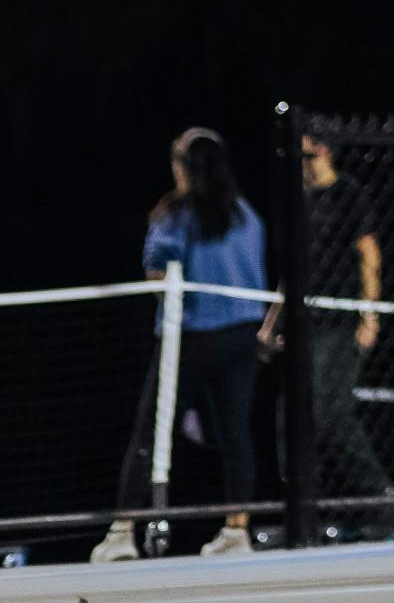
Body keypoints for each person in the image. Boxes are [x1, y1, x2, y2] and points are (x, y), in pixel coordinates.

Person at [91, 128, 266, 563]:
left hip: (190, 337)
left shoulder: (176, 214)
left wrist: (173, 307)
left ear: (184, 167)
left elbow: (157, 274)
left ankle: (122, 532)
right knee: (235, 432)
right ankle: (237, 529)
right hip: (242, 337)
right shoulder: (247, 215)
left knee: (151, 429)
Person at [257, 133, 394, 523]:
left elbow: (369, 255)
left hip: (340, 319)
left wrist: (370, 314)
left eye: (304, 151)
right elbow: (291, 272)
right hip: (304, 321)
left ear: (323, 149)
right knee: (291, 415)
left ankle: (378, 494)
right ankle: (301, 506)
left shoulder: (349, 194)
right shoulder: (297, 200)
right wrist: (271, 323)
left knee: (328, 411)